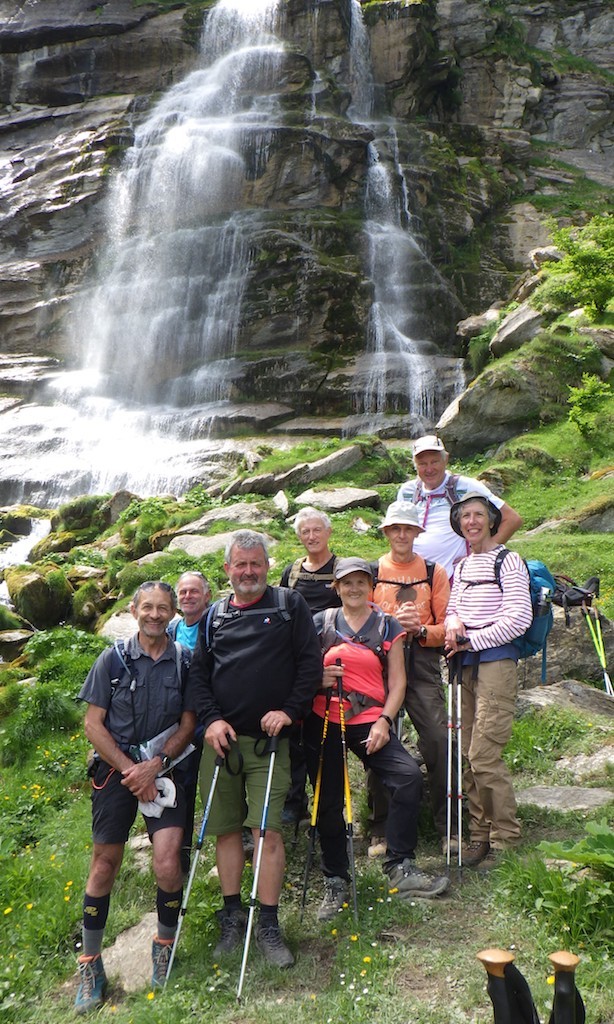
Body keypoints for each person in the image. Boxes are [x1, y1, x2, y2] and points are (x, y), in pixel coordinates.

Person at [190, 530, 322, 968]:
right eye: (240, 564)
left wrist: (288, 710)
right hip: (222, 742)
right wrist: (211, 720)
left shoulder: (289, 606)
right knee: (227, 831)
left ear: (268, 565)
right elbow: (199, 677)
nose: (248, 571)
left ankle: (268, 923)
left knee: (266, 831)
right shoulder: (213, 616)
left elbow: (310, 664)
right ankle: (232, 917)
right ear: (227, 569)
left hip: (271, 743)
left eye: (256, 563)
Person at [303, 557, 449, 922]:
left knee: (407, 777)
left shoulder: (387, 625)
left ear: (371, 587)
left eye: (361, 583)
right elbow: (302, 671)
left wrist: (385, 721)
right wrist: (318, 680)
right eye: (346, 583)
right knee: (328, 798)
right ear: (335, 587)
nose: (354, 589)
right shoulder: (320, 624)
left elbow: (398, 681)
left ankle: (400, 863)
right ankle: (335, 878)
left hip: (370, 720)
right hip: (326, 718)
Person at [74, 581, 197, 1013]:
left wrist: (155, 765)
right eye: (148, 607)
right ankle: (90, 963)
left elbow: (188, 724)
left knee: (167, 861)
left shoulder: (184, 660)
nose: (155, 615)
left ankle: (164, 946)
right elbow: (93, 724)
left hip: (165, 772)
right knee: (104, 863)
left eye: (163, 608)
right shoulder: (112, 659)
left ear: (172, 613)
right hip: (116, 774)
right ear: (133, 609)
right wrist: (132, 771)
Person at [444, 493, 532, 867]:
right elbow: (452, 609)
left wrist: (473, 639)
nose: (472, 521)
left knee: (484, 754)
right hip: (464, 664)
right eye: (465, 516)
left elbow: (519, 618)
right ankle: (479, 836)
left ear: (493, 521)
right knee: (466, 754)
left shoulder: (508, 561)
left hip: (495, 662)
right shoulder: (463, 566)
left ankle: (506, 836)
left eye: (479, 514)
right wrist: (452, 624)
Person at [369, 501, 452, 854]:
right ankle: (381, 826)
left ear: (417, 533)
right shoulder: (371, 572)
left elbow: (447, 625)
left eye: (408, 529)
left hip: (421, 661)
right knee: (377, 735)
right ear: (387, 532)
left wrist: (421, 630)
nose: (402, 534)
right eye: (395, 529)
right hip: (380, 662)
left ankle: (448, 823)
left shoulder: (434, 571)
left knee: (437, 737)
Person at [279, 507, 341, 823]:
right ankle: (293, 800)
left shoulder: (342, 569)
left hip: (333, 659)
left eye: (317, 530)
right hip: (296, 659)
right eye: (305, 532)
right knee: (293, 730)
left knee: (322, 734)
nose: (312, 536)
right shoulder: (291, 572)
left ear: (328, 532)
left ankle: (327, 801)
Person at [397, 435, 523, 580]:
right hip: (414, 579)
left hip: (454, 579)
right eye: (422, 464)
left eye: (434, 462)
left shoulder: (465, 486)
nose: (429, 469)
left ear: (446, 459)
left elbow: (512, 519)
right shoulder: (406, 492)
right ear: (415, 465)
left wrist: (482, 557)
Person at [168, 571, 212, 874]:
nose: (188, 597)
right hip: (179, 720)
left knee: (217, 782)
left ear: (207, 595)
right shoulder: (172, 629)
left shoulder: (215, 624)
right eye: (182, 592)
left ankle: (238, 837)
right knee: (182, 785)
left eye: (194, 591)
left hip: (208, 717)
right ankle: (180, 850)